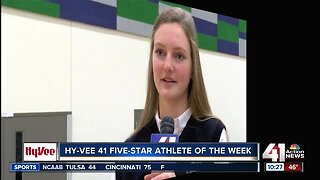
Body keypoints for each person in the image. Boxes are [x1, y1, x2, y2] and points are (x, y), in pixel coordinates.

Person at [115, 7, 228, 180]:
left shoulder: (213, 135)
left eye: (179, 56)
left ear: (193, 68)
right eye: (160, 52)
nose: (167, 66)